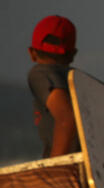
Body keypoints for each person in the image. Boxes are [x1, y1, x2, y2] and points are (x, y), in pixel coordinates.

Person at [27, 15, 80, 158]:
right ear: (72, 54)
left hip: (67, 171)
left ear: (32, 53)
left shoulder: (39, 73)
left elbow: (67, 118)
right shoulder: (84, 82)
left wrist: (55, 166)